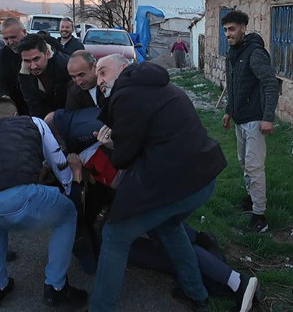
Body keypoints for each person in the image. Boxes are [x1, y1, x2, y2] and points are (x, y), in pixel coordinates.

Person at [51, 106, 259, 312]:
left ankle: (234, 282)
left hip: (144, 191)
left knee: (152, 237)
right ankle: (213, 285)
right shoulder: (92, 123)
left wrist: (78, 175)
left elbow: (115, 178)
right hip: (152, 186)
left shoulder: (88, 139)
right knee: (170, 234)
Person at [88, 54, 227, 312]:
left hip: (177, 184)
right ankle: (197, 295)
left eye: (103, 72)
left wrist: (110, 144)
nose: (99, 81)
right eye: (97, 75)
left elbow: (124, 157)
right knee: (169, 226)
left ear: (125, 69)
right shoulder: (162, 86)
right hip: (204, 178)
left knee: (114, 235)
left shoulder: (126, 95)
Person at [0, 97, 88, 310]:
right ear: (15, 115)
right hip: (14, 199)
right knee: (67, 214)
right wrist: (70, 187)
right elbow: (57, 160)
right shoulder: (33, 122)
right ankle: (56, 288)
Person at [221, 10, 280, 234]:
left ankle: (260, 217)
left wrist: (267, 118)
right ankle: (251, 199)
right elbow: (233, 84)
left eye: (232, 29)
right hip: (239, 118)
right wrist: (228, 110)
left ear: (244, 28)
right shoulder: (232, 53)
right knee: (244, 164)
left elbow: (270, 84)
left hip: (255, 120)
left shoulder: (255, 53)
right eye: (225, 30)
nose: (228, 34)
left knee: (254, 167)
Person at [17, 33, 72, 119]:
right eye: (27, 61)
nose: (33, 66)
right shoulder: (24, 74)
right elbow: (33, 105)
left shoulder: (66, 67)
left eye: (36, 59)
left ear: (47, 53)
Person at [0, 17, 29, 115]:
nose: (10, 42)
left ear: (24, 32)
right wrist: (3, 95)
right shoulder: (5, 53)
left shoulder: (38, 46)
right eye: (6, 39)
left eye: (13, 37)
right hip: (17, 107)